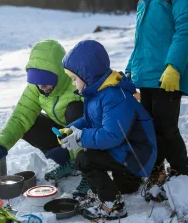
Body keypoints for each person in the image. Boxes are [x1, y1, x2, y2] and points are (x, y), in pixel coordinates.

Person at [116, 0, 188, 182]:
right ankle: (156, 169)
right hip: (147, 76)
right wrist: (130, 69)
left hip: (167, 76)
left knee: (166, 128)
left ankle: (181, 170)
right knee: (149, 128)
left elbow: (187, 30)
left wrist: (174, 66)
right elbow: (141, 42)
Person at [60, 40, 157, 220]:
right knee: (125, 185)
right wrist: (73, 129)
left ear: (87, 74)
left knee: (85, 159)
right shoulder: (99, 92)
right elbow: (91, 121)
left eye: (74, 79)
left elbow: (112, 136)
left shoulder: (113, 95)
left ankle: (113, 205)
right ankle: (118, 188)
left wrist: (80, 137)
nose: (73, 84)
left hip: (137, 156)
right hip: (128, 151)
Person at [0, 39, 90, 193]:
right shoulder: (36, 88)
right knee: (28, 123)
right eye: (37, 81)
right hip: (62, 135)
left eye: (46, 81)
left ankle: (87, 170)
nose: (41, 86)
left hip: (85, 135)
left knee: (75, 110)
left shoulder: (76, 81)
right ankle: (69, 161)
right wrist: (0, 145)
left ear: (59, 74)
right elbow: (20, 117)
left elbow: (95, 118)